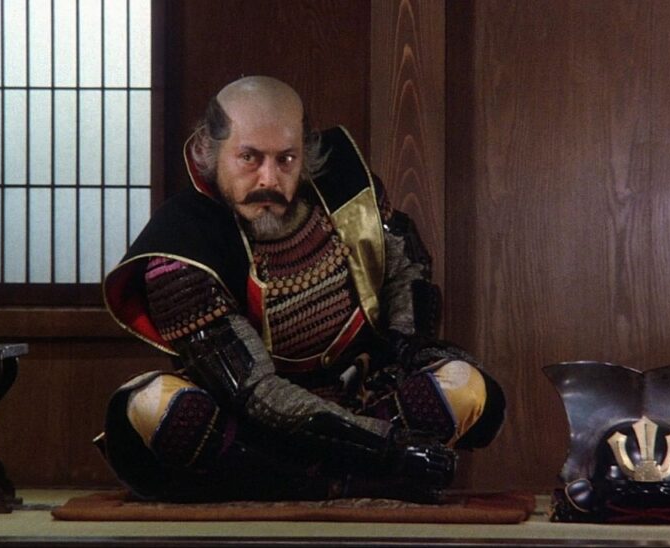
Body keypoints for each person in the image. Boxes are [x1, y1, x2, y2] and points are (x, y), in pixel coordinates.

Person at [98, 76, 504, 503]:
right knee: (153, 404)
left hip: (361, 398)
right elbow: (253, 392)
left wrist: (409, 343)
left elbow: (407, 268)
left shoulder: (346, 190)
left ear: (305, 154)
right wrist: (387, 448)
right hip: (250, 429)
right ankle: (333, 481)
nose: (269, 178)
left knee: (465, 386)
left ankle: (342, 476)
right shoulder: (181, 245)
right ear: (209, 150)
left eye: (286, 159)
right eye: (249, 158)